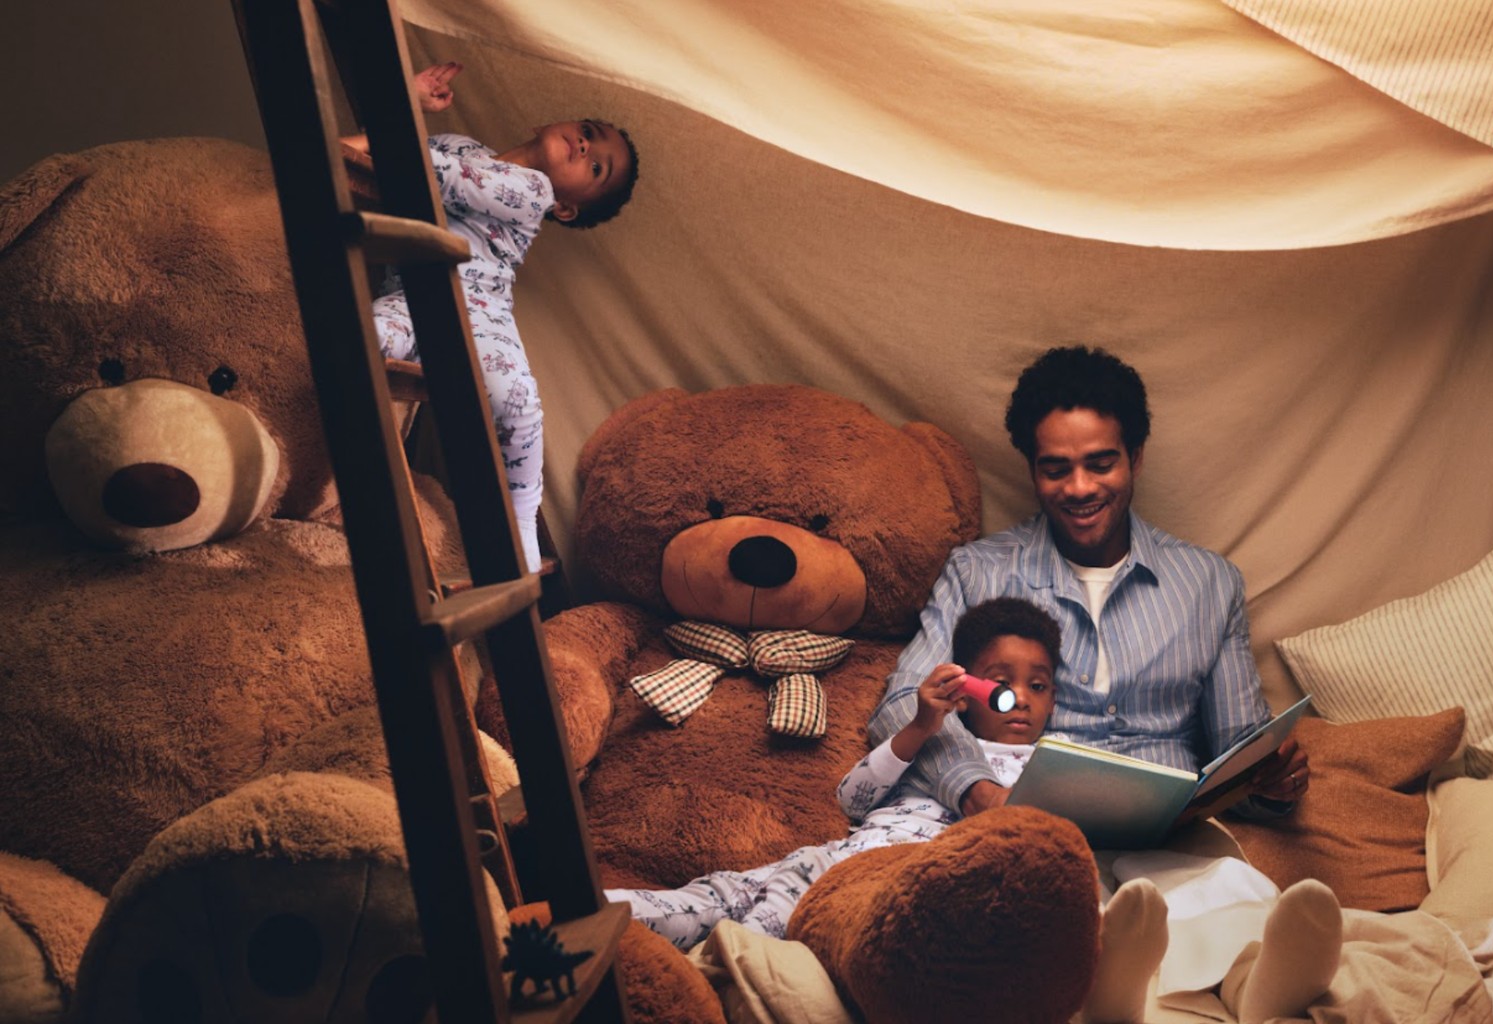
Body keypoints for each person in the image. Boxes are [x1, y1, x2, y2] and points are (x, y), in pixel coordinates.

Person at [869, 344, 1309, 820]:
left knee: (1238, 894)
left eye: (1100, 464)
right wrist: (976, 790)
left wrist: (1272, 787)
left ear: (1135, 458)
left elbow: (1241, 752)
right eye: (1056, 469)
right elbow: (901, 704)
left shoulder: (1210, 584)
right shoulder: (976, 572)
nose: (1079, 488)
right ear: (1032, 470)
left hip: (1168, 839)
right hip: (1025, 826)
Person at [607, 597, 1060, 950]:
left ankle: (726, 970)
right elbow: (852, 800)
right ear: (965, 693)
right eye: (1001, 683)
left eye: (1037, 686)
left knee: (764, 926)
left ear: (1054, 699)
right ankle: (578, 924)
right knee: (716, 896)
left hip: (883, 886)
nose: (1020, 698)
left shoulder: (1050, 768)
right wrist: (921, 726)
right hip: (831, 859)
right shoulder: (938, 739)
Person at [347, 61, 641, 571]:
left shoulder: (533, 191)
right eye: (589, 134)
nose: (587, 147)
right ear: (542, 124)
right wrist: (406, 106)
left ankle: (522, 515)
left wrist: (401, 105)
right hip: (411, 296)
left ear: (566, 209)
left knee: (517, 399)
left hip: (479, 309)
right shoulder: (459, 143)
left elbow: (424, 174)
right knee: (363, 337)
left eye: (597, 168)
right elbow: (352, 158)